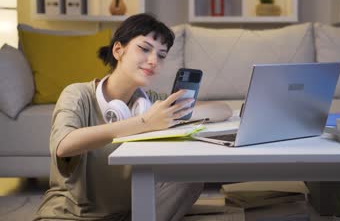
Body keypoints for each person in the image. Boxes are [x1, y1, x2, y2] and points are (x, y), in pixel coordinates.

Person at [34, 13, 233, 221]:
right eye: (145, 49)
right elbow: (63, 145)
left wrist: (174, 113)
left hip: (128, 213)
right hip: (71, 215)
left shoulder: (151, 103)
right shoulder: (78, 95)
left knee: (190, 179)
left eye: (162, 55)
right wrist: (144, 122)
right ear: (118, 50)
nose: (154, 61)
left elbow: (223, 110)